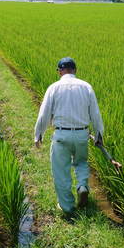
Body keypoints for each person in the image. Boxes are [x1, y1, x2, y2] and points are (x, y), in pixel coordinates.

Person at [34, 57, 104, 214]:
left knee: (61, 170)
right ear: (75, 70)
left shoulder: (54, 87)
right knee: (81, 162)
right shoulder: (86, 87)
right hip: (82, 134)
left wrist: (38, 134)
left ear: (59, 72)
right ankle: (82, 186)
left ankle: (67, 206)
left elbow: (44, 114)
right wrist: (99, 134)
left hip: (61, 135)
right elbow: (95, 114)